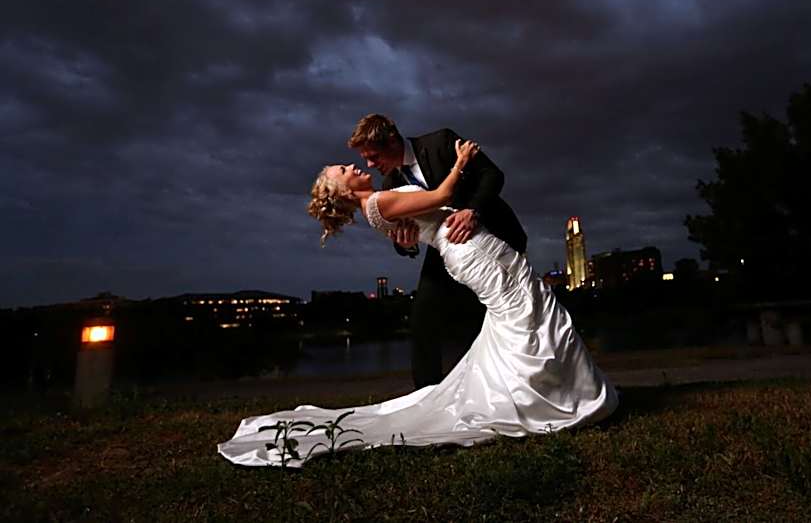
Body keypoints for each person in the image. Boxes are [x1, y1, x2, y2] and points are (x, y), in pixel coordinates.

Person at [217, 140, 618, 467]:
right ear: (344, 191)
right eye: (344, 169)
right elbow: (442, 196)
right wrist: (461, 161)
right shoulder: (377, 204)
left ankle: (549, 394)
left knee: (523, 315)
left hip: (472, 245)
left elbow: (422, 216)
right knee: (526, 314)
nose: (353, 165)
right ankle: (552, 399)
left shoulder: (380, 199)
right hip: (469, 251)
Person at [347, 114, 527, 389]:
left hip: (491, 234)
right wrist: (405, 244)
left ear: (392, 140)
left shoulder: (441, 142)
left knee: (487, 316)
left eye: (373, 156)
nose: (370, 165)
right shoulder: (388, 185)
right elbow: (402, 235)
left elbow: (492, 175)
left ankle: (495, 384)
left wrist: (472, 211)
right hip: (445, 248)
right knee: (423, 318)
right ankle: (427, 393)